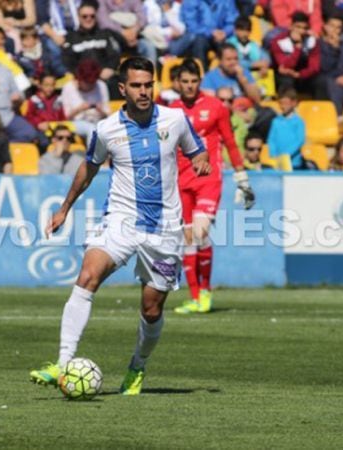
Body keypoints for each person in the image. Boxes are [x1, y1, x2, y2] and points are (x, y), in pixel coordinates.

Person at [29, 57, 211, 395]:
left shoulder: (175, 120)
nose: (144, 91)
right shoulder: (107, 129)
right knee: (87, 277)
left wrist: (201, 160)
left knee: (151, 308)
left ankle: (138, 365)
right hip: (121, 220)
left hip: (164, 229)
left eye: (149, 84)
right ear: (123, 89)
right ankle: (63, 363)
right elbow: (89, 168)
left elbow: (197, 152)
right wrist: (65, 207)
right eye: (137, 85)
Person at [169, 58, 254, 314]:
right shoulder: (171, 110)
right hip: (181, 180)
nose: (189, 86)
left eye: (194, 81)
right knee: (188, 239)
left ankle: (205, 291)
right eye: (185, 82)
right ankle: (195, 297)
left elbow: (229, 141)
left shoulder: (216, 106)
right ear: (177, 83)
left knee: (200, 232)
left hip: (209, 178)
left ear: (200, 81)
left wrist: (242, 177)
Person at [62, 1, 121, 95]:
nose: (88, 19)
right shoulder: (70, 38)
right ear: (78, 17)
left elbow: (114, 56)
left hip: (105, 80)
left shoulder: (105, 34)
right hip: (82, 82)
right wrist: (81, 76)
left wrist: (110, 68)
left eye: (92, 16)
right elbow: (67, 61)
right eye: (84, 16)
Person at [270, 11, 321, 94]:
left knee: (321, 81)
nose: (301, 31)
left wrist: (299, 74)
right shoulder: (279, 41)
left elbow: (314, 67)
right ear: (291, 26)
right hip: (284, 76)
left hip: (303, 74)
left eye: (305, 28)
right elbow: (284, 65)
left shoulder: (312, 41)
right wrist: (297, 47)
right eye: (298, 27)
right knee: (286, 80)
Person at [177, 0, 239, 67]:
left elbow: (233, 21)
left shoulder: (227, 1)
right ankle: (202, 73)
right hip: (199, 35)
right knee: (199, 42)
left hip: (221, 35)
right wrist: (211, 32)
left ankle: (231, 72)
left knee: (228, 46)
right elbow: (191, 25)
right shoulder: (190, 1)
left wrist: (225, 32)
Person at [60, 59, 109, 139]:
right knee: (92, 129)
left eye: (93, 83)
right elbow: (66, 117)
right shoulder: (68, 87)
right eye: (87, 83)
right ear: (79, 79)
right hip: (76, 123)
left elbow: (107, 114)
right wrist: (80, 109)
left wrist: (100, 110)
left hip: (98, 121)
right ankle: (93, 152)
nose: (91, 86)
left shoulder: (101, 85)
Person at [96, 0, 157, 65]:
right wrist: (122, 32)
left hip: (135, 36)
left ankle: (150, 73)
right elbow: (103, 21)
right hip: (113, 37)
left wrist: (133, 31)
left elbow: (143, 18)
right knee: (113, 49)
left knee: (148, 47)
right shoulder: (102, 1)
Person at [34, 0, 81, 79]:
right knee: (52, 47)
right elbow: (42, 21)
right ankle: (65, 75)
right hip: (54, 33)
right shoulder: (43, 2)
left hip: (77, 31)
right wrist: (55, 36)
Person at [267, 87, 308, 170]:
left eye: (285, 103)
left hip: (294, 162)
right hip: (278, 161)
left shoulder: (298, 121)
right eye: (280, 103)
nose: (282, 106)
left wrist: (286, 154)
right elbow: (271, 139)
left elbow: (300, 140)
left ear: (294, 103)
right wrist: (273, 154)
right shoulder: (276, 121)